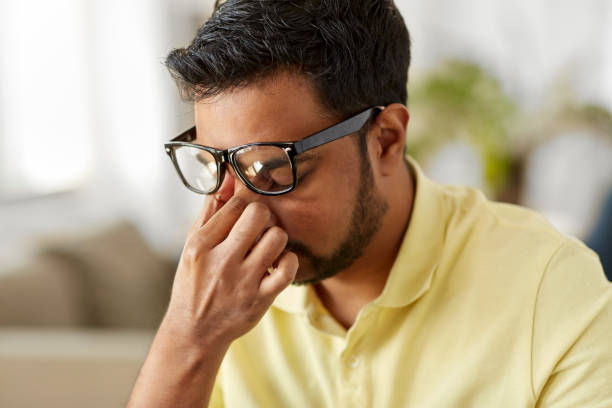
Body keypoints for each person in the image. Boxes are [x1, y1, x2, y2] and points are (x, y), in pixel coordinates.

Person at [128, 1, 612, 407]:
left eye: (273, 169)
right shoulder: (218, 303)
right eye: (215, 163)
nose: (239, 217)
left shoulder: (550, 291)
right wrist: (187, 338)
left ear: (386, 139)